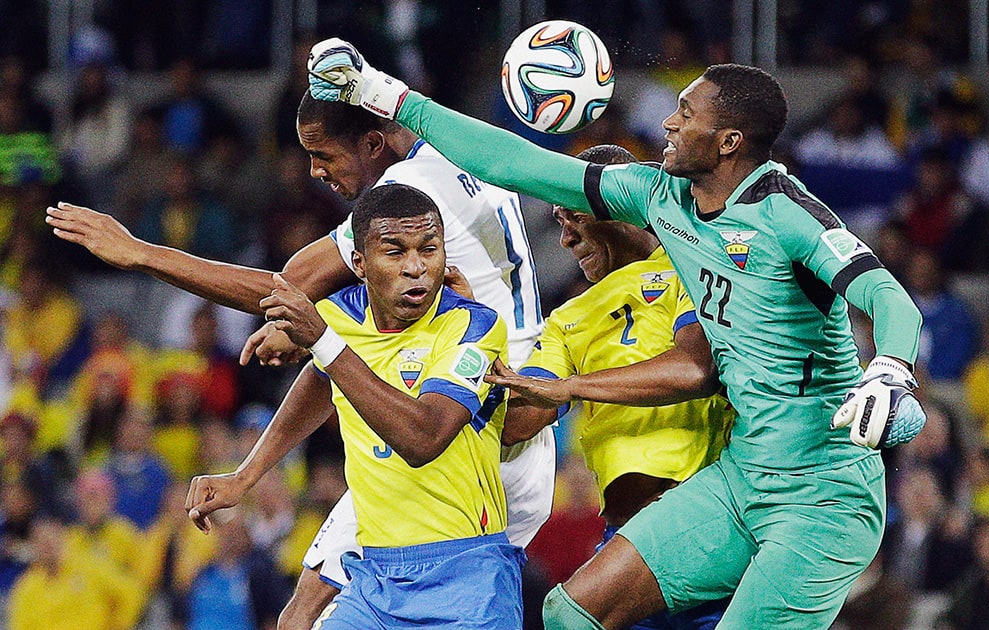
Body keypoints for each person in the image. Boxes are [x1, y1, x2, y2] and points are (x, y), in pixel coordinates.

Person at [307, 40, 927, 629]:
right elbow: (513, 162)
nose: (668, 125)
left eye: (686, 114)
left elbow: (886, 294)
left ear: (729, 140)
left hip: (822, 495)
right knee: (569, 614)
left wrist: (892, 368)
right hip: (743, 478)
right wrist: (383, 93)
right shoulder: (663, 196)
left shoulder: (787, 214)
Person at [45, 91, 552, 629]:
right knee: (298, 618)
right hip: (463, 434)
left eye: (324, 154)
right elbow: (321, 366)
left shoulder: (408, 207)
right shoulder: (459, 157)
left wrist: (143, 253)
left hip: (475, 449)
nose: (314, 171)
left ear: (374, 144)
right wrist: (246, 473)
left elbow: (288, 286)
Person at [189, 183, 523, 627]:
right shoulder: (343, 317)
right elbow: (320, 381)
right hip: (376, 581)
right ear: (360, 265)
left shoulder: (472, 325)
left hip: (465, 577)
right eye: (395, 252)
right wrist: (245, 476)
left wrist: (322, 341)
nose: (416, 267)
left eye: (430, 249)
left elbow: (423, 438)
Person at [502, 143, 734, 630]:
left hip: (711, 525)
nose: (565, 240)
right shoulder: (568, 318)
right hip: (625, 538)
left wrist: (573, 388)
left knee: (568, 616)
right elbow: (520, 422)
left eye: (572, 219)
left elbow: (696, 369)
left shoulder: (691, 267)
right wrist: (474, 325)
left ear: (619, 203)